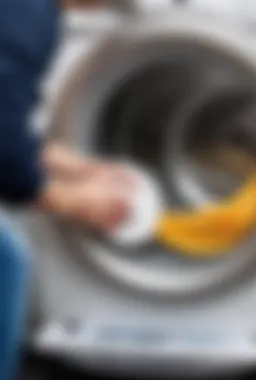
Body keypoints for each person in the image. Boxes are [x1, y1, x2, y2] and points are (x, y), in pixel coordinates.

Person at [0, 1, 131, 378]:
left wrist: (81, 169)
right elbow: (2, 145)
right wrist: (74, 201)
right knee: (6, 264)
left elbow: (8, 129)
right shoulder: (29, 17)